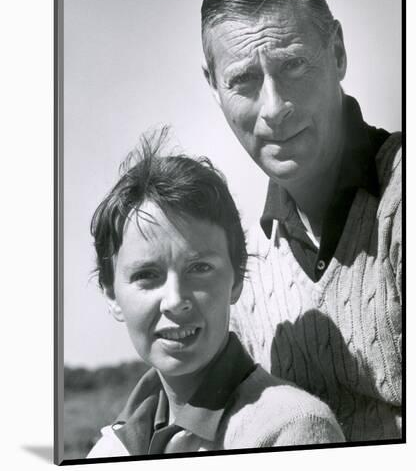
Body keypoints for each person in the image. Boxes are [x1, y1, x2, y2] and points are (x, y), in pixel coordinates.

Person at [201, 0, 402, 443]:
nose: (274, 108)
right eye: (243, 81)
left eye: (293, 64)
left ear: (337, 51)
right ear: (213, 86)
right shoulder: (245, 265)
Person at [86, 131, 344, 458]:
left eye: (199, 268)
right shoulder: (109, 448)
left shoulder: (289, 430)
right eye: (147, 275)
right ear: (111, 295)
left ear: (236, 278)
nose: (175, 300)